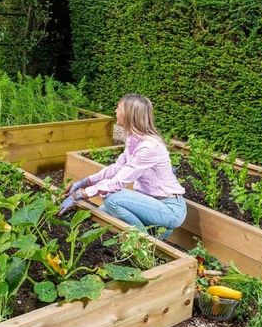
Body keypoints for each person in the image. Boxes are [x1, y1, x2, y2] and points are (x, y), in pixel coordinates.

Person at [59, 93, 187, 239]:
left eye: (118, 108)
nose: (115, 111)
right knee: (102, 213)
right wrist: (84, 182)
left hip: (168, 210)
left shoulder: (149, 147)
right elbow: (116, 168)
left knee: (112, 199)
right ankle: (154, 231)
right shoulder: (134, 140)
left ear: (128, 114)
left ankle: (145, 241)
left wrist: (80, 195)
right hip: (151, 205)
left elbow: (119, 181)